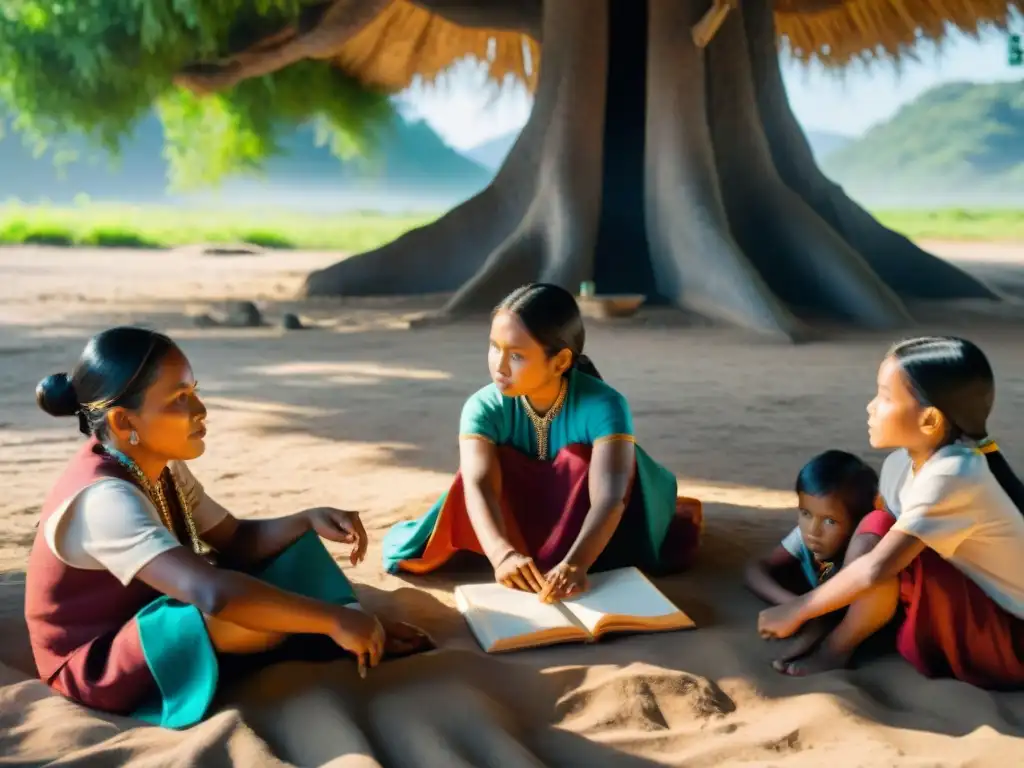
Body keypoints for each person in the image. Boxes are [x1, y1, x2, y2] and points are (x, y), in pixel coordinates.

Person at [25, 327, 430, 729]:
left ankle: (328, 628)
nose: (200, 409)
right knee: (236, 615)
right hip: (101, 663)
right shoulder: (104, 500)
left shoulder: (159, 466)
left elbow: (237, 539)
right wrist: (334, 621)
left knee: (294, 549)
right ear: (122, 419)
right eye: (179, 399)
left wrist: (306, 518)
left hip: (157, 614)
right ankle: (329, 632)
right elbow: (213, 593)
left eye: (194, 391)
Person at [382, 283, 703, 600]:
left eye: (517, 355)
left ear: (561, 362)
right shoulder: (482, 406)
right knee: (478, 470)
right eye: (495, 347)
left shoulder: (605, 405)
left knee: (581, 458)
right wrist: (501, 555)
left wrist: (576, 564)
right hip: (513, 522)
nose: (499, 365)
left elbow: (610, 497)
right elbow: (478, 485)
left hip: (594, 522)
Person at [758, 336, 1024, 688]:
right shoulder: (900, 464)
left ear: (929, 420)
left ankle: (837, 649)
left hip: (1011, 638)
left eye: (884, 397)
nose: (871, 407)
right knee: (878, 526)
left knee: (882, 532)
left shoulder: (955, 473)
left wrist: (799, 608)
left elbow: (876, 568)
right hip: (978, 609)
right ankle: (837, 631)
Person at [745, 450, 883, 602]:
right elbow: (755, 568)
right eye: (806, 513)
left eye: (829, 521)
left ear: (858, 522)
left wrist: (805, 610)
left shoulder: (864, 550)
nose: (813, 531)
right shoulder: (803, 536)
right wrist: (792, 603)